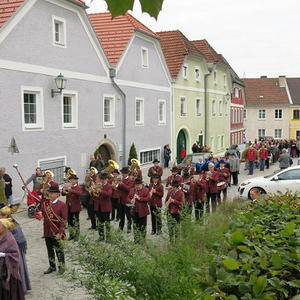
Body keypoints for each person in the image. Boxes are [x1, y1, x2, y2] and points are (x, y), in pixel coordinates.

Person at [0, 205, 31, 293]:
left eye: (3, 215)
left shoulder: (13, 224)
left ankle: (22, 287)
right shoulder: (3, 223)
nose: (1, 217)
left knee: (18, 269)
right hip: (7, 250)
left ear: (8, 215)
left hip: (16, 250)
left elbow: (19, 239)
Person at [40, 182, 67, 275]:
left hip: (57, 232)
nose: (50, 195)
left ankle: (62, 266)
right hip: (47, 231)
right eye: (49, 193)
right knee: (49, 250)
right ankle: (52, 266)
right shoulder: (45, 204)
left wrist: (60, 232)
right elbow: (43, 214)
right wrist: (39, 215)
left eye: (52, 193)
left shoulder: (62, 205)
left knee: (59, 250)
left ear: (57, 194)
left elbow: (64, 221)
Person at [0, 218, 25, 300]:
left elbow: (16, 255)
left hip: (9, 275)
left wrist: (4, 255)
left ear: (4, 227)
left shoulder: (10, 239)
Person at [128, 178, 150, 244]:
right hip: (134, 211)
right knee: (135, 226)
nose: (137, 186)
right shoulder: (132, 190)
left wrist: (139, 198)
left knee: (143, 226)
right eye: (136, 185)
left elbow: (148, 199)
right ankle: (136, 240)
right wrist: (130, 200)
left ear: (141, 184)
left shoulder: (146, 190)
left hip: (143, 211)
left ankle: (143, 240)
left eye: (138, 185)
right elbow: (128, 198)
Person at [93, 173, 112, 242]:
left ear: (106, 179)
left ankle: (108, 237)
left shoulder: (109, 186)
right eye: (101, 179)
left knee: (107, 223)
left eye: (104, 179)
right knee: (100, 223)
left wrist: (100, 191)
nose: (103, 180)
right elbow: (94, 197)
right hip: (98, 207)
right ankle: (101, 237)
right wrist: (93, 192)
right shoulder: (97, 185)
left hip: (106, 207)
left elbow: (109, 194)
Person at [63, 174, 82, 241]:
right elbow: (63, 194)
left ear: (76, 180)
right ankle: (71, 235)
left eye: (73, 180)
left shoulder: (79, 187)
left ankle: (77, 235)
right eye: (71, 180)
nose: (72, 181)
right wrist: (64, 190)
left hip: (75, 206)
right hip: (68, 206)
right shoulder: (68, 186)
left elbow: (79, 194)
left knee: (76, 221)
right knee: (70, 221)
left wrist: (70, 190)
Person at [118, 167, 134, 233]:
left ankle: (129, 228)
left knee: (129, 216)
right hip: (121, 200)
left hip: (128, 200)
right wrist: (117, 185)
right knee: (121, 216)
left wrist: (122, 184)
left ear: (127, 173)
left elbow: (128, 189)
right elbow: (119, 189)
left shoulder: (130, 180)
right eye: (122, 173)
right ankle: (120, 228)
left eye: (124, 173)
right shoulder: (121, 179)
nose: (123, 174)